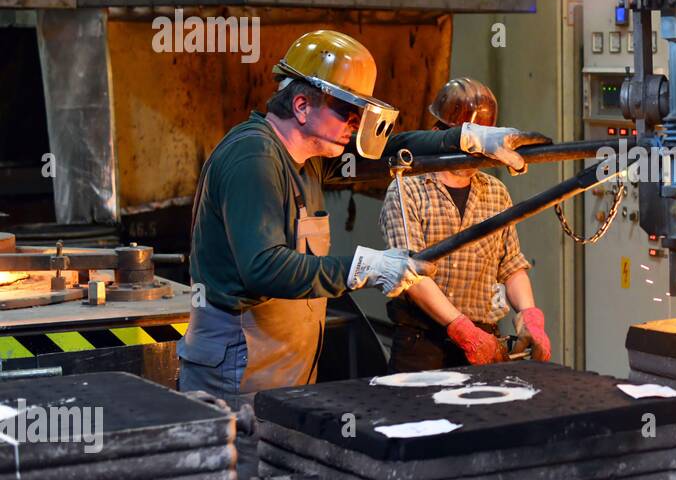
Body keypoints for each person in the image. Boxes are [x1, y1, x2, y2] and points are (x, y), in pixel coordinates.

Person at [178, 32, 546, 400]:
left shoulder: (308, 162)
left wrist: (465, 141)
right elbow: (263, 268)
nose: (355, 124)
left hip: (279, 360)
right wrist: (365, 267)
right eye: (346, 110)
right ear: (302, 105)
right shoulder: (254, 158)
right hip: (239, 363)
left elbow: (389, 153)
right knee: (239, 455)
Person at [379, 77, 551, 371]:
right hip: (422, 343)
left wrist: (529, 315)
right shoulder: (407, 190)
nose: (475, 155)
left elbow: (510, 265)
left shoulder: (495, 192)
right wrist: (460, 328)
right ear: (438, 134)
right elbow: (409, 275)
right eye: (469, 144)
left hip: (484, 336)